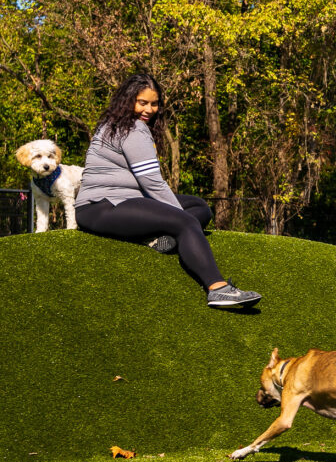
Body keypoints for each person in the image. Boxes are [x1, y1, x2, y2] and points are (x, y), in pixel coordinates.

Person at [73, 73, 261, 309]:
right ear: (128, 99)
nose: (149, 109)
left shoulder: (116, 124)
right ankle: (218, 289)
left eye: (154, 103)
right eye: (142, 102)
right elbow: (152, 182)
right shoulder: (132, 129)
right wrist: (178, 220)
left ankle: (153, 238)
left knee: (199, 207)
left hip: (120, 201)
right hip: (103, 205)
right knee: (186, 221)